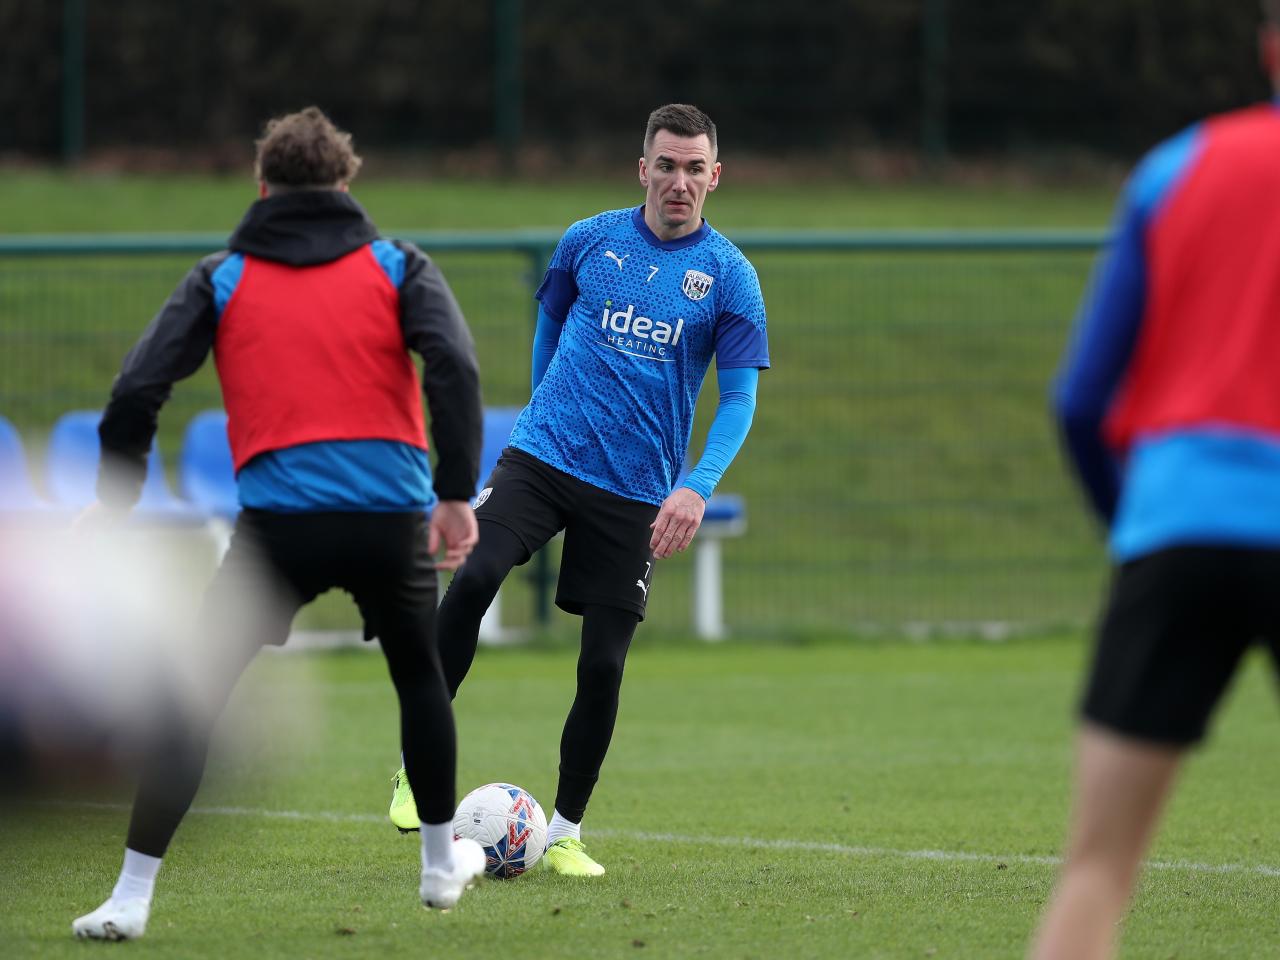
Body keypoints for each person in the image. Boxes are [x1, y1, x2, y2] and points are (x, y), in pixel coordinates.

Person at [71, 106, 487, 941]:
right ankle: (441, 866)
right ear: (345, 180)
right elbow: (455, 364)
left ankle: (131, 896)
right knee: (419, 679)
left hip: (278, 530)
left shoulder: (221, 277)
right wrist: (452, 491)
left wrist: (116, 499)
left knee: (195, 702)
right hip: (387, 519)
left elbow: (136, 389)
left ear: (261, 187)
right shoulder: (397, 265)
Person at [386, 103, 770, 876]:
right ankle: (412, 766)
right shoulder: (588, 240)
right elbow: (549, 330)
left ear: (715, 177)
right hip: (543, 459)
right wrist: (542, 418)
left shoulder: (729, 277)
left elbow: (738, 398)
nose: (680, 182)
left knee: (602, 664)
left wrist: (694, 486)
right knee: (476, 577)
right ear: (643, 169)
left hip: (635, 491)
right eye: (666, 165)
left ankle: (563, 834)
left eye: (695, 169)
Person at [1031, 8, 1280, 958]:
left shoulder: (1176, 168)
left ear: (1266, 50)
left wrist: (1135, 527)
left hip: (1180, 524)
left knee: (1097, 867)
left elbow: (1080, 399)